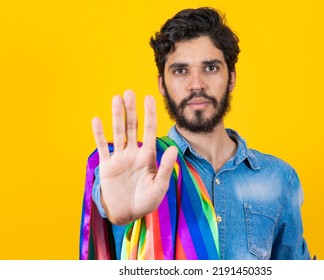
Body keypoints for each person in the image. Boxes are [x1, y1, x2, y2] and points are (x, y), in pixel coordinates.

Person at [80, 7, 311, 260]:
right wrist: (112, 210)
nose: (197, 84)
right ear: (162, 85)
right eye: (180, 70)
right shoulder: (136, 168)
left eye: (210, 68)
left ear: (231, 77)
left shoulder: (279, 179)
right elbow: (109, 198)